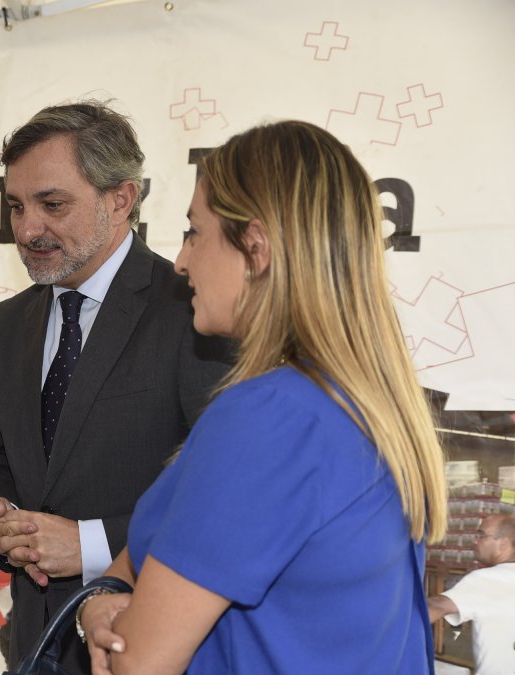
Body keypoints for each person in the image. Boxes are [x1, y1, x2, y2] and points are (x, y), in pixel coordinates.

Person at [79, 120, 448, 674]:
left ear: (256, 247)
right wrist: (106, 596)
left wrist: (103, 613)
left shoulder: (272, 417)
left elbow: (139, 662)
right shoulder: (356, 406)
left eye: (195, 233)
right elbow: (152, 555)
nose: (181, 262)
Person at [0, 101, 230, 671]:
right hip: (31, 645)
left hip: (143, 643)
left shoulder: (195, 311)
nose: (27, 228)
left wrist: (90, 545)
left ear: (121, 199)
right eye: (16, 206)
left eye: (52, 204)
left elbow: (222, 499)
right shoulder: (7, 324)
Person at [429, 514, 515, 674]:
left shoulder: (487, 579)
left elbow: (435, 607)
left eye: (481, 535)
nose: (475, 541)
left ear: (503, 544)